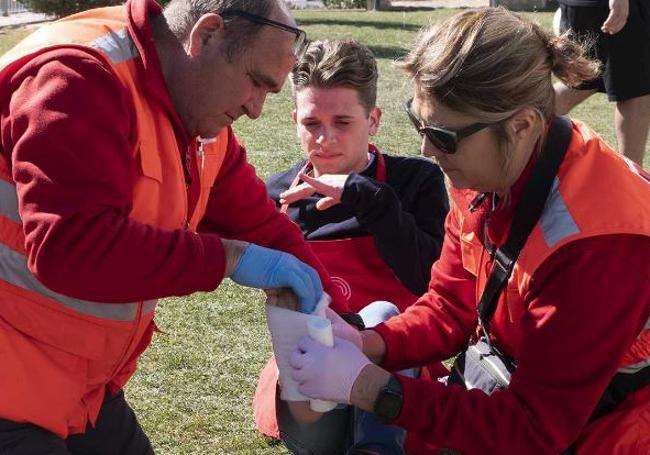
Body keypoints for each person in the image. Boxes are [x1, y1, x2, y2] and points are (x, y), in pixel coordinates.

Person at [289, 7, 650, 455]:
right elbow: (452, 303)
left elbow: (532, 431)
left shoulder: (600, 245)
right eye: (419, 123)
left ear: (521, 125)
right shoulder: (496, 167)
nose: (426, 149)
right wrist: (369, 341)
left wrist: (370, 387)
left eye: (442, 134)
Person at [0, 0, 349, 453]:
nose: (256, 108)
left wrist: (336, 314)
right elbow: (72, 248)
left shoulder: (194, 107)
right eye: (255, 82)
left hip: (76, 386)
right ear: (205, 37)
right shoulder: (77, 78)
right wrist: (227, 258)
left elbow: (257, 222)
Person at [253, 39, 448, 454]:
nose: (324, 139)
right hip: (311, 387)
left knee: (380, 314)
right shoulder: (276, 196)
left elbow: (428, 280)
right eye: (311, 123)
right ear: (293, 120)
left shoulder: (415, 182)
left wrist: (368, 197)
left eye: (343, 122)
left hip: (396, 379)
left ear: (373, 120)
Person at [553, 0, 650, 166]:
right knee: (634, 93)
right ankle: (629, 180)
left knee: (588, 78)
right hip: (610, 7)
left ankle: (518, 117)